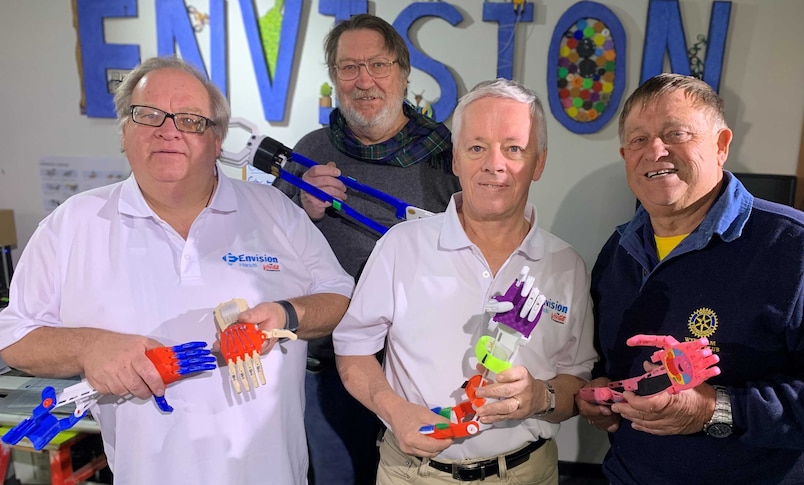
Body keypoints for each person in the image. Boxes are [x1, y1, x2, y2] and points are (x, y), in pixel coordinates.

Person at [0, 56, 354, 484]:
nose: (167, 131)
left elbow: (339, 295)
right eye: (148, 115)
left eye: (189, 120)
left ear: (218, 139)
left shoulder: (274, 211)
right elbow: (14, 338)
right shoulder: (73, 224)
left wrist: (286, 314)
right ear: (124, 130)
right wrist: (87, 348)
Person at [578, 73, 804, 484]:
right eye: (639, 140)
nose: (655, 150)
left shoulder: (802, 250)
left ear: (721, 145)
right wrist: (602, 395)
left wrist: (716, 410)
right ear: (626, 155)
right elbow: (611, 365)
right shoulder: (618, 250)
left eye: (676, 133)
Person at [333, 78, 598, 484]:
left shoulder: (566, 265)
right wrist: (393, 410)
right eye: (477, 148)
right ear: (455, 160)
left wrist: (539, 398)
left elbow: (576, 384)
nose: (495, 164)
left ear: (538, 163)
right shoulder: (401, 246)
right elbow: (353, 349)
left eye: (514, 149)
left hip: (527, 474)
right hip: (413, 473)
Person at [272, 13, 460, 484]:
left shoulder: (447, 156)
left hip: (420, 366)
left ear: (403, 71)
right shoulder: (309, 150)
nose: (364, 81)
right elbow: (265, 254)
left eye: (377, 64)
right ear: (334, 77)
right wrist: (302, 205)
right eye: (348, 67)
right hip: (328, 370)